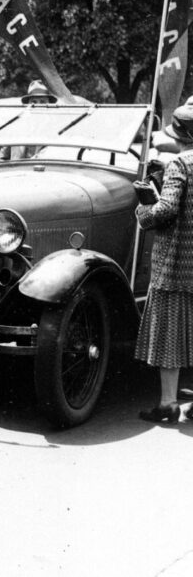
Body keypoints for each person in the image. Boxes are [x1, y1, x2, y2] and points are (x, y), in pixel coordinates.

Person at [132, 101, 193, 423]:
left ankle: (168, 404)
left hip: (176, 264)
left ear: (180, 135)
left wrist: (144, 209)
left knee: (171, 335)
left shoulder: (180, 164)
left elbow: (166, 211)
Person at [0, 80, 57, 161]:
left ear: (49, 105)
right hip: (17, 172)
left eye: (42, 102)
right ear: (28, 105)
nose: (38, 106)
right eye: (34, 102)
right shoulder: (15, 129)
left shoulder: (56, 130)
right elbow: (1, 158)